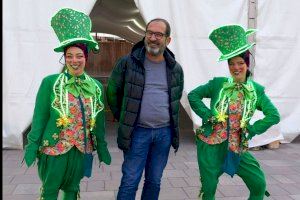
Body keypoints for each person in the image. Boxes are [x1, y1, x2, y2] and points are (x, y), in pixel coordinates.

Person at [23, 8, 111, 200]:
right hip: (55, 148)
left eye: (79, 56)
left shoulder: (96, 87)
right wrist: (32, 146)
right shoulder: (50, 83)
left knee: (72, 189)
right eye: (69, 56)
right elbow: (40, 117)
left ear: (86, 58)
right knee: (50, 188)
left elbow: (100, 121)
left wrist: (102, 148)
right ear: (64, 57)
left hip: (82, 148)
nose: (74, 60)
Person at [188, 24, 280, 200]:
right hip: (211, 146)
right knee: (209, 189)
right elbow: (194, 95)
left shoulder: (256, 91)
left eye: (240, 63)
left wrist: (252, 129)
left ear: (247, 64)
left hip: (237, 147)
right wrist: (207, 115)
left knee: (258, 184)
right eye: (231, 64)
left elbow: (273, 115)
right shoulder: (218, 84)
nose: (236, 68)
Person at [106, 18, 184, 200]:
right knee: (130, 180)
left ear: (168, 40)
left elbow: (175, 97)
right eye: (150, 33)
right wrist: (126, 118)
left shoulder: (175, 69)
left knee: (154, 180)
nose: (153, 38)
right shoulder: (127, 63)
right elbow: (112, 93)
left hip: (164, 133)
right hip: (137, 133)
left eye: (159, 34)